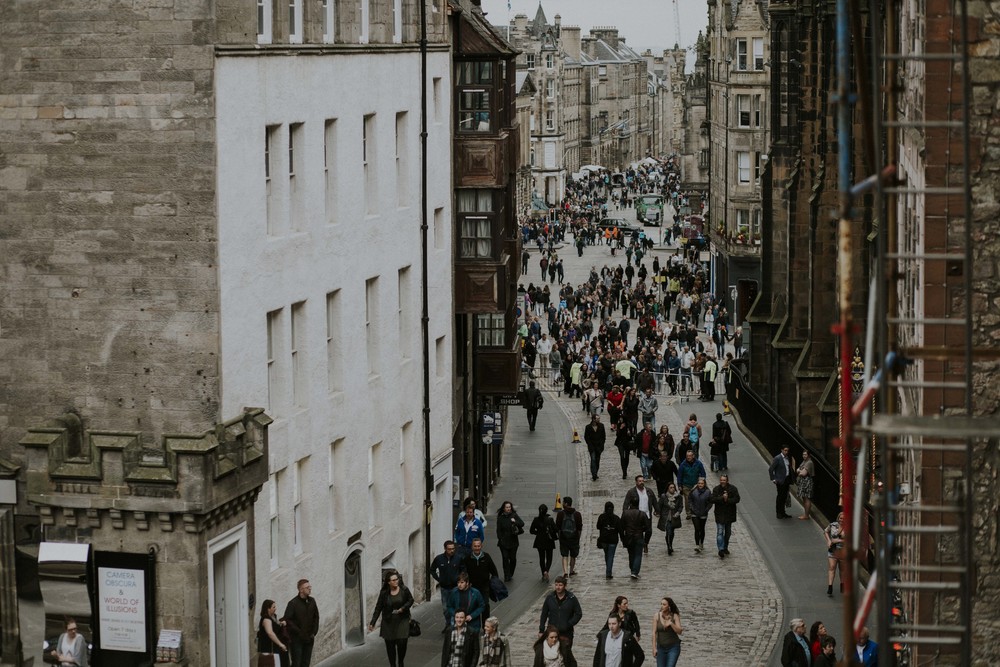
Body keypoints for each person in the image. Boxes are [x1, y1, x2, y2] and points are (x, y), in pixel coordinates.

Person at [368, 570, 414, 667]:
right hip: (388, 621)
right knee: (390, 646)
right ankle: (392, 665)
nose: (396, 581)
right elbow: (378, 607)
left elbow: (411, 600)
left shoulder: (404, 589)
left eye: (396, 579)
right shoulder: (384, 593)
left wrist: (403, 608)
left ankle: (401, 662)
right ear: (388, 582)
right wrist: (373, 622)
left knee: (402, 643)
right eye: (393, 580)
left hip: (402, 620)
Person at [538, 576, 583, 648]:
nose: (558, 587)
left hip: (566, 632)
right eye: (556, 585)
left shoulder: (571, 598)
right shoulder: (550, 598)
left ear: (565, 586)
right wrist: (541, 630)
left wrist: (569, 624)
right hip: (552, 632)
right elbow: (544, 614)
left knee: (565, 654)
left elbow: (578, 613)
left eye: (560, 585)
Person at [431, 540, 466, 630]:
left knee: (456, 607)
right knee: (446, 609)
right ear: (445, 549)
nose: (451, 551)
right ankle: (448, 624)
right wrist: (439, 579)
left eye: (453, 549)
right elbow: (432, 569)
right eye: (449, 549)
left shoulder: (458, 558)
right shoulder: (439, 559)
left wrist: (460, 580)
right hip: (444, 588)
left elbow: (463, 570)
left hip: (455, 587)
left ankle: (454, 625)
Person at [284, 579, 319, 667]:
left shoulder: (312, 601)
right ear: (301, 590)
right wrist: (299, 632)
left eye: (310, 587)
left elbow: (316, 617)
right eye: (307, 587)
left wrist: (314, 632)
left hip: (309, 637)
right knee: (297, 663)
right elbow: (288, 620)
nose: (310, 589)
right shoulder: (293, 603)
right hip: (297, 639)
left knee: (306, 662)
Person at [623, 474, 659, 554]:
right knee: (639, 532)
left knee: (649, 531)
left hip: (647, 515)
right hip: (637, 516)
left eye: (642, 481)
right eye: (639, 481)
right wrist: (625, 514)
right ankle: (640, 544)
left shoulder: (649, 491)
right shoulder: (631, 492)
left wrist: (657, 510)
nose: (641, 482)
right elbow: (626, 504)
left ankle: (646, 543)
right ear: (636, 482)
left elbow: (654, 501)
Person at [603, 596, 643, 665]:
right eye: (624, 604)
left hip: (628, 638)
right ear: (619, 605)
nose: (627, 605)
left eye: (627, 603)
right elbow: (607, 625)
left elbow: (636, 623)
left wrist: (638, 634)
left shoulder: (630, 613)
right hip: (617, 638)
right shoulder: (613, 614)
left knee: (629, 656)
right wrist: (600, 634)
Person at [465, 538, 499, 621]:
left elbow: (494, 571)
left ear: (481, 546)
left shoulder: (486, 557)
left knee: (485, 605)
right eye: (475, 546)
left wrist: (492, 583)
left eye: (478, 546)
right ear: (472, 547)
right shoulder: (467, 558)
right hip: (472, 587)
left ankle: (485, 627)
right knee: (473, 606)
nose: (477, 548)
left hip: (484, 586)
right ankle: (475, 627)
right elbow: (464, 573)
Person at [710, 474, 741, 558]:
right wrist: (721, 498)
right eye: (721, 480)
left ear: (727, 481)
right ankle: (720, 549)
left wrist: (727, 500)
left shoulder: (733, 489)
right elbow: (712, 499)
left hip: (729, 514)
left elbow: (737, 499)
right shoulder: (716, 489)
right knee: (720, 532)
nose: (722, 482)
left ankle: (725, 546)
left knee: (728, 533)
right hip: (719, 514)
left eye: (724, 480)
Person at [494, 501, 524, 582]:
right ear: (503, 508)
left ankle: (511, 573)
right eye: (507, 507)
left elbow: (522, 524)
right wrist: (500, 539)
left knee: (513, 559)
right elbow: (498, 530)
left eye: (509, 507)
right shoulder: (500, 518)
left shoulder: (514, 515)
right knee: (505, 558)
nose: (508, 509)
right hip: (503, 542)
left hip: (513, 542)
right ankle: (506, 575)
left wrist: (515, 521)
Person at [555, 497, 583, 577]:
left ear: (566, 504)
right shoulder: (577, 514)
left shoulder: (560, 514)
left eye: (563, 502)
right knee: (573, 555)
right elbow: (579, 527)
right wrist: (578, 537)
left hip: (564, 537)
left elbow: (558, 527)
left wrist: (560, 536)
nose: (562, 504)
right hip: (574, 538)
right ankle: (571, 571)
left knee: (564, 555)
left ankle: (565, 572)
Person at [530, 504, 558, 581]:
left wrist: (538, 533)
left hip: (539, 541)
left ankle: (543, 572)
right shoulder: (550, 519)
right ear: (546, 511)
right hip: (549, 540)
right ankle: (546, 571)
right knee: (549, 558)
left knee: (541, 558)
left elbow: (531, 531)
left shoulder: (536, 519)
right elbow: (556, 529)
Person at [651, 597, 682, 667]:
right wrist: (654, 648)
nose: (662, 606)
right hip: (660, 648)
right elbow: (654, 632)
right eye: (661, 604)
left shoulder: (674, 616)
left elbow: (680, 631)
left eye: (664, 604)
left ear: (669, 606)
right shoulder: (656, 616)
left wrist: (671, 623)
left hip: (673, 647)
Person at [257, 600, 289, 667]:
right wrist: (280, 644)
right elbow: (270, 633)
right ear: (268, 609)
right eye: (273, 607)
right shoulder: (266, 619)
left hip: (275, 649)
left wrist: (281, 623)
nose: (275, 608)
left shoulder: (273, 617)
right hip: (269, 649)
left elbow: (275, 627)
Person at [621, 505, 649, 579]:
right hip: (639, 536)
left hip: (629, 537)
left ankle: (632, 569)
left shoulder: (625, 513)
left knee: (631, 554)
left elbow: (622, 526)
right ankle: (635, 571)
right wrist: (641, 530)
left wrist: (624, 536)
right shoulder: (642, 514)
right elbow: (647, 527)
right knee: (638, 555)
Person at [596, 501, 622, 579]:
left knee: (607, 555)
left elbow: (598, 526)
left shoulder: (602, 517)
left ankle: (608, 569)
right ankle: (608, 572)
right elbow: (620, 530)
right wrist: (623, 539)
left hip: (604, 539)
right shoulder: (616, 518)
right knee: (610, 556)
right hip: (613, 540)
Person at [677, 450, 706, 519]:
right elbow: (679, 475)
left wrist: (702, 481)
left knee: (696, 499)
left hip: (696, 485)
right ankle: (689, 513)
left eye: (690, 456)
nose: (688, 457)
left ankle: (696, 511)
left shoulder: (698, 463)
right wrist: (679, 485)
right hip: (686, 485)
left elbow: (703, 473)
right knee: (687, 500)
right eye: (687, 456)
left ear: (693, 456)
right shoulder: (683, 464)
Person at [769, 446, 795, 519]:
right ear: (782, 450)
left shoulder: (787, 458)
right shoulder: (777, 458)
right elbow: (771, 469)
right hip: (780, 480)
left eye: (787, 451)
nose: (786, 452)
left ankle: (783, 512)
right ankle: (778, 513)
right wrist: (773, 479)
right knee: (780, 497)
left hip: (786, 480)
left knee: (784, 497)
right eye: (785, 450)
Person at [825, 512, 847, 596]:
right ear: (838, 518)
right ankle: (830, 587)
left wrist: (839, 540)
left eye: (844, 518)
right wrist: (829, 541)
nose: (842, 520)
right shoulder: (833, 525)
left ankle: (842, 585)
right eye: (841, 518)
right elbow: (826, 531)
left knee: (842, 570)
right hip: (833, 550)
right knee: (832, 568)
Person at [657, 482, 683, 555]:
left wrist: (677, 513)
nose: (672, 489)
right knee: (668, 532)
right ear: (668, 489)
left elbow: (681, 506)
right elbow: (659, 505)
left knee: (671, 532)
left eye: (673, 487)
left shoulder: (679, 497)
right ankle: (669, 546)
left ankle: (670, 544)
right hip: (666, 517)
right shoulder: (664, 496)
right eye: (670, 487)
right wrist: (658, 512)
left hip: (674, 517)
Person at [688, 477, 712, 553]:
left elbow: (710, 502)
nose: (700, 485)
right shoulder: (693, 491)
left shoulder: (708, 492)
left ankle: (701, 542)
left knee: (702, 529)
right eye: (699, 483)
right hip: (694, 513)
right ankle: (697, 545)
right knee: (697, 528)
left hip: (703, 513)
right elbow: (690, 500)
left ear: (704, 484)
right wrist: (692, 508)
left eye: (702, 483)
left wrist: (706, 509)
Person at [584, 413, 607, 481]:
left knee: (597, 460)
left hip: (599, 447)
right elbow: (586, 437)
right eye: (597, 419)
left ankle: (596, 472)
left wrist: (602, 445)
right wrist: (589, 444)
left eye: (599, 418)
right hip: (592, 447)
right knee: (593, 459)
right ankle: (593, 474)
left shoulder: (601, 426)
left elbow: (603, 437)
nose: (599, 420)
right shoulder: (588, 427)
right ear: (594, 419)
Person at [796, 450, 816, 520]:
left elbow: (803, 473)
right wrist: (799, 471)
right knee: (804, 497)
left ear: (808, 455)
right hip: (803, 481)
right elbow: (797, 469)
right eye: (803, 454)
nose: (804, 456)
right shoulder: (804, 461)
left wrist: (799, 471)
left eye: (805, 455)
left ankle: (806, 515)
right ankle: (805, 514)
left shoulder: (809, 462)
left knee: (807, 497)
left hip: (806, 481)